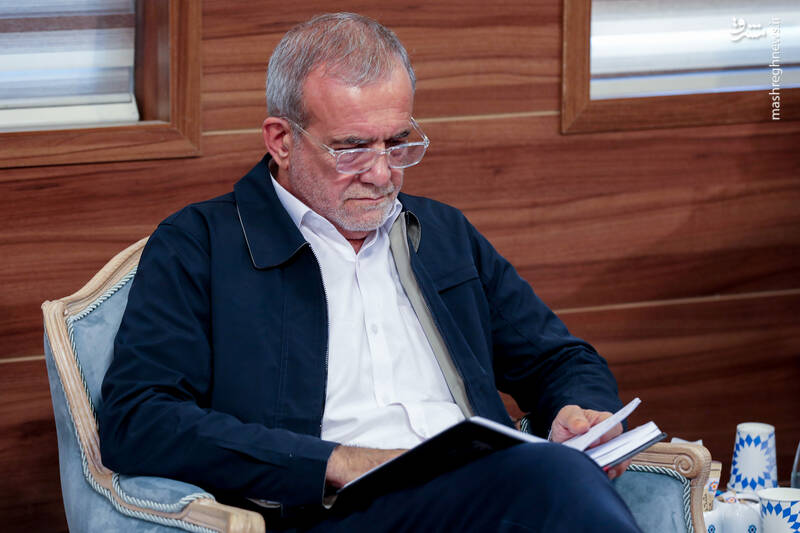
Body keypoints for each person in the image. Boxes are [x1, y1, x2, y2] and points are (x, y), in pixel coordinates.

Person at [99, 12, 642, 532]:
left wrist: (580, 410)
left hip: (488, 490)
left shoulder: (441, 233)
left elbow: (559, 358)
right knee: (552, 478)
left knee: (554, 473)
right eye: (353, 148)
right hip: (329, 513)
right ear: (282, 141)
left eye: (397, 143)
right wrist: (336, 461)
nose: (382, 174)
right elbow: (138, 419)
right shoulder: (201, 245)